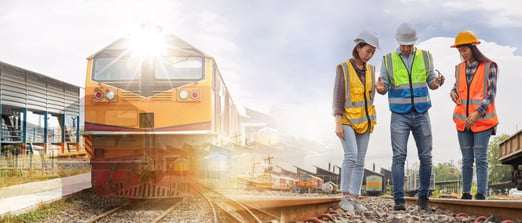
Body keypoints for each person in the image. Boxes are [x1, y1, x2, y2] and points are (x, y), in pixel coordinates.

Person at [375, 22, 445, 212]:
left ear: (415, 42)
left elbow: (431, 82)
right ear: (398, 42)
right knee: (399, 157)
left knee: (426, 157)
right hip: (399, 115)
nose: (406, 48)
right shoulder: (388, 59)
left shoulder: (425, 56)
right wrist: (381, 89)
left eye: (410, 45)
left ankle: (423, 198)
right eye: (403, 45)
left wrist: (437, 82)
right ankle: (398, 200)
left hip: (422, 112)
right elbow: (384, 85)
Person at [332, 31, 379, 212]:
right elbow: (337, 96)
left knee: (360, 160)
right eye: (368, 50)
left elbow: (372, 95)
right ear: (358, 47)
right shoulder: (343, 68)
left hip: (365, 121)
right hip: (346, 119)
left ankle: (354, 198)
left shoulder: (372, 70)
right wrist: (338, 121)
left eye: (373, 52)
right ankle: (344, 197)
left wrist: (381, 89)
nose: (370, 55)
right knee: (351, 156)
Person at [450, 31, 498, 200]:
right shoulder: (459, 68)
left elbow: (491, 93)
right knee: (466, 160)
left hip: (482, 121)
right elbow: (457, 87)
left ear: (473, 48)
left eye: (464, 50)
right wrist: (452, 92)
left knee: (481, 158)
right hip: (463, 122)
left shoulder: (489, 66)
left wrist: (478, 113)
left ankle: (481, 194)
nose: (462, 54)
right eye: (459, 51)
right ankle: (465, 193)